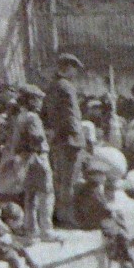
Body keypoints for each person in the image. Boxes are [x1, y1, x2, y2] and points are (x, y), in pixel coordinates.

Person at [45, 52, 87, 227]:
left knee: (60, 179)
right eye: (74, 68)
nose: (75, 73)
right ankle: (66, 217)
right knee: (69, 180)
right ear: (67, 68)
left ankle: (58, 214)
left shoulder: (53, 86)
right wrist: (78, 138)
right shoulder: (66, 87)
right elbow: (70, 116)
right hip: (70, 140)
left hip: (59, 139)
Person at [15, 84, 61, 243]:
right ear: (31, 100)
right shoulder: (33, 117)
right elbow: (36, 138)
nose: (41, 103)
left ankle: (31, 230)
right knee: (46, 193)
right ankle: (46, 230)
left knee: (31, 195)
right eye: (38, 100)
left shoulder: (21, 116)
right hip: (37, 156)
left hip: (24, 157)